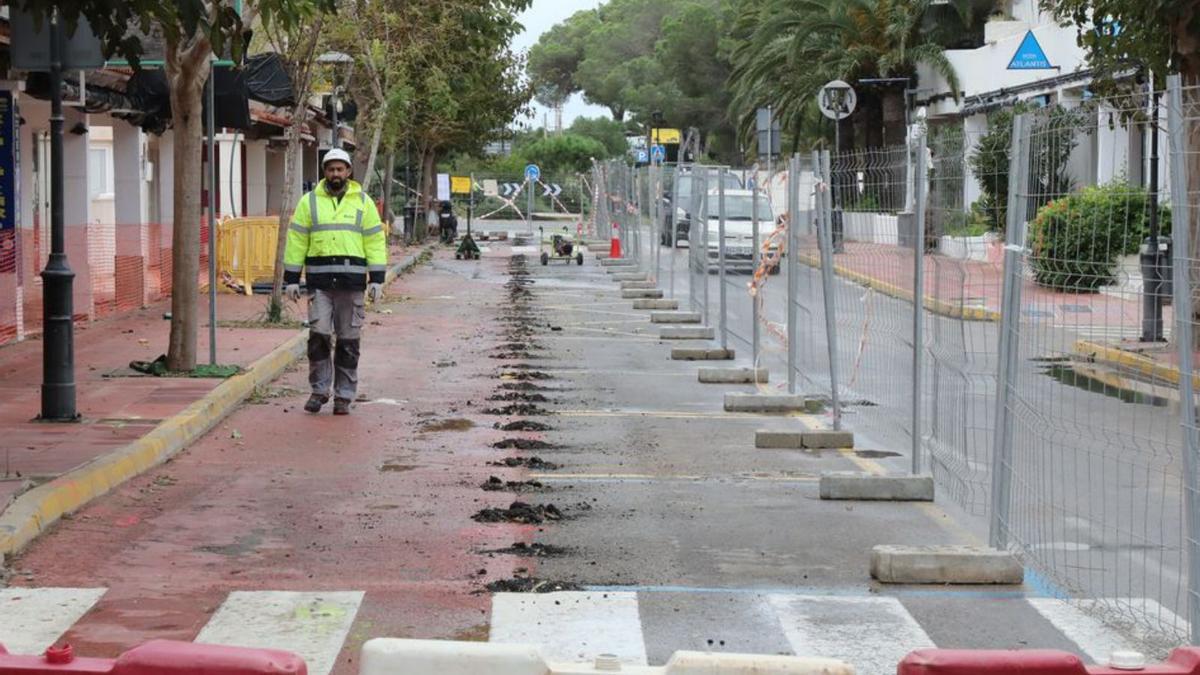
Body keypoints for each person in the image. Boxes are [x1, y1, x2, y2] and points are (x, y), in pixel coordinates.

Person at [284, 148, 388, 416]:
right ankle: (319, 391)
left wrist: (377, 279)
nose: (335, 174)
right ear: (324, 172)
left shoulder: (363, 203)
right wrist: (291, 279)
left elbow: (375, 241)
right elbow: (297, 240)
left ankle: (344, 395)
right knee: (318, 338)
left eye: (340, 169)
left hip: (351, 284)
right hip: (319, 284)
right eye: (330, 169)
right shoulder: (309, 202)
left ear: (349, 172)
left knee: (348, 342)